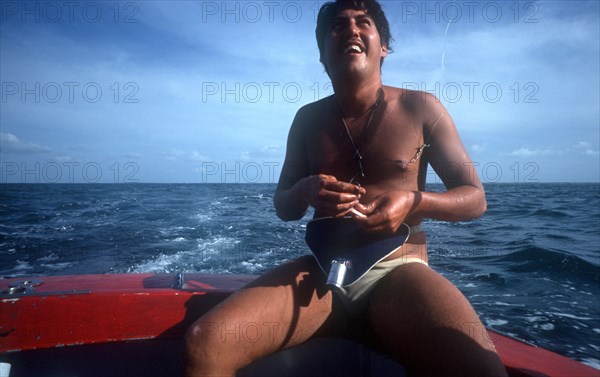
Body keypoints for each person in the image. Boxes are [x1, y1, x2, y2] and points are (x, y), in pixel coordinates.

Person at [184, 0, 508, 376]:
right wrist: (304, 190)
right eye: (337, 26)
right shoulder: (306, 120)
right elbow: (283, 205)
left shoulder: (422, 108)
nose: (351, 30)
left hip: (398, 272)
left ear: (382, 46)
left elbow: (474, 198)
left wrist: (414, 201)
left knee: (482, 370)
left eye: (363, 22)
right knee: (205, 342)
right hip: (322, 272)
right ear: (322, 53)